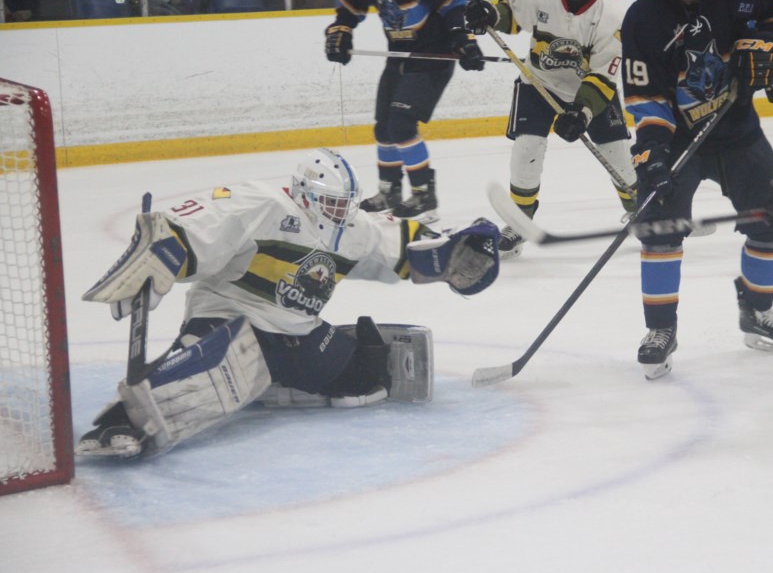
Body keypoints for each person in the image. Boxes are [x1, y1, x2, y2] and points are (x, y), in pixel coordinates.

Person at [76, 148, 500, 458]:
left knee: (365, 376)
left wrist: (452, 255)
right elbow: (199, 224)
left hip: (298, 331)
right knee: (195, 373)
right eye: (330, 203)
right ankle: (120, 420)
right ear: (304, 193)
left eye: (344, 204)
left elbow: (406, 249)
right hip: (231, 318)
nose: (338, 213)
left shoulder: (354, 227)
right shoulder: (261, 204)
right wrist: (166, 251)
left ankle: (275, 378)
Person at [620, 0, 773, 379]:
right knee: (660, 223)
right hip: (681, 139)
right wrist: (653, 154)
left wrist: (771, 44)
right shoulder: (643, 18)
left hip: (737, 128)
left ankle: (757, 312)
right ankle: (660, 329)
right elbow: (647, 96)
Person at [463, 0, 638, 259]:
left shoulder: (610, 13)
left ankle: (643, 210)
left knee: (619, 155)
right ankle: (519, 222)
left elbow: (602, 75)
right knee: (526, 150)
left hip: (591, 89)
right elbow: (511, 15)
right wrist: (489, 13)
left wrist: (581, 112)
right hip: (539, 83)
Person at [325, 0, 487, 224]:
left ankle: (424, 194)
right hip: (399, 56)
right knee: (384, 126)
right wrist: (341, 32)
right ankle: (389, 192)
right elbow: (350, 8)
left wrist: (463, 40)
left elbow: (454, 3)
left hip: (434, 57)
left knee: (401, 124)